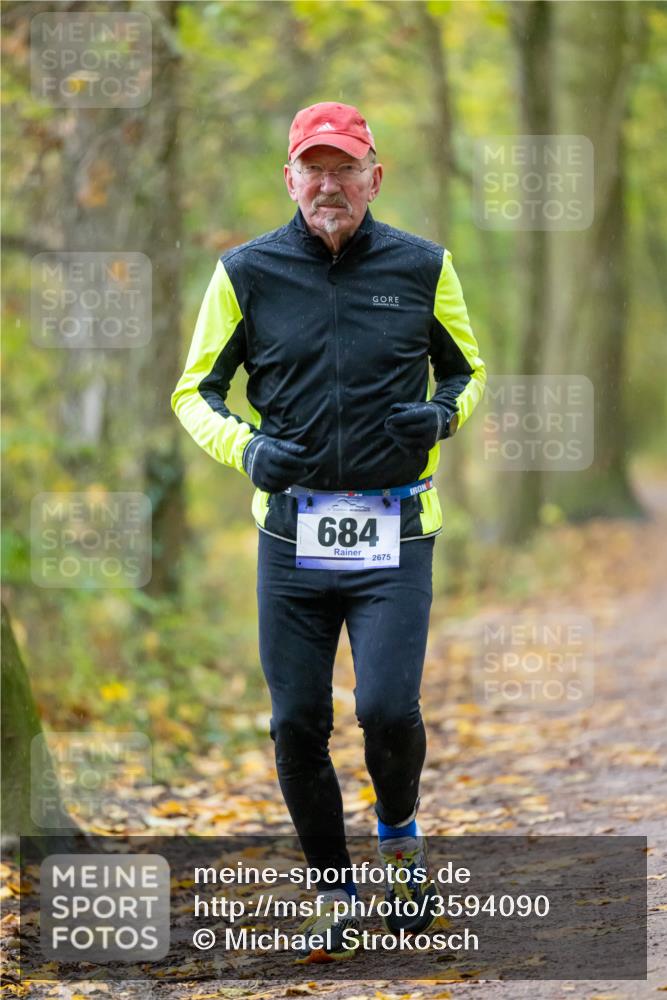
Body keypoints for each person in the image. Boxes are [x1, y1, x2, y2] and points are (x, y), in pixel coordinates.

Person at [171, 101, 486, 963]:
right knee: (296, 723)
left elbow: (466, 373)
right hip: (290, 541)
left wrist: (441, 416)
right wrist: (247, 449)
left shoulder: (424, 266)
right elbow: (194, 392)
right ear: (289, 180)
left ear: (373, 177)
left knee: (385, 709)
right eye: (313, 169)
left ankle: (400, 843)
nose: (328, 184)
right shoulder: (244, 273)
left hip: (397, 531)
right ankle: (334, 893)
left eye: (344, 168)